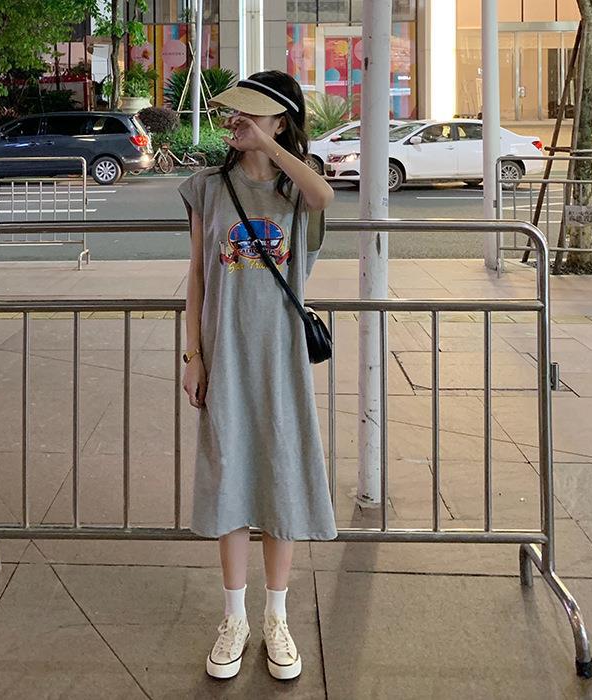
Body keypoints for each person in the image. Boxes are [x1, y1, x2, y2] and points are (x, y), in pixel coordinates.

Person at [177, 70, 337, 681]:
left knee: (281, 475)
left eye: (253, 112)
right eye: (234, 112)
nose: (237, 121)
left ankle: (277, 616)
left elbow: (323, 197)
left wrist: (270, 146)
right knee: (229, 475)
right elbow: (197, 275)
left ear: (280, 120)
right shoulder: (208, 187)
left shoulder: (297, 188)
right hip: (226, 354)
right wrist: (193, 354)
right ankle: (234, 617)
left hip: (280, 358)